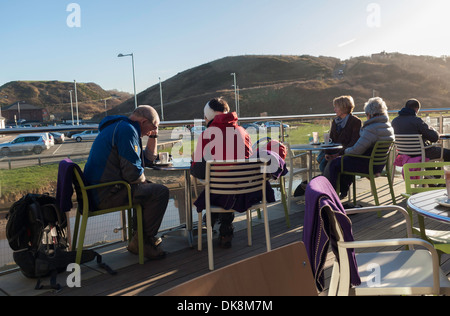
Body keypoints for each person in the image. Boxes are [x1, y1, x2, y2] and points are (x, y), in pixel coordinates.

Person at [84, 105, 169, 260]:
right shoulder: (127, 131)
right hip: (106, 194)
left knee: (149, 188)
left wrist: (153, 136)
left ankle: (140, 239)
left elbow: (148, 159)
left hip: (98, 191)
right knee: (160, 192)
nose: (153, 131)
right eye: (153, 127)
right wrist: (144, 182)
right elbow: (132, 173)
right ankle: (143, 242)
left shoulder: (121, 126)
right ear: (143, 122)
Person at [190, 97, 252, 248]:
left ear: (209, 116)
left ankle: (210, 221)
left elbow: (199, 171)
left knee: (211, 181)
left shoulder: (207, 135)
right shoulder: (243, 132)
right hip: (244, 189)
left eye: (205, 117)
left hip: (219, 189)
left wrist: (193, 161)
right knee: (225, 182)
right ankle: (225, 229)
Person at [326, 97, 395, 198]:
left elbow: (356, 150)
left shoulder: (371, 129)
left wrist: (343, 152)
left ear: (370, 114)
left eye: (366, 114)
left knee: (335, 163)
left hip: (368, 166)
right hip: (378, 164)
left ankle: (330, 197)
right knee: (343, 161)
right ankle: (339, 190)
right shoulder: (387, 126)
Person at [319, 95, 362, 172]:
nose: (334, 109)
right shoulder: (335, 121)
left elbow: (353, 143)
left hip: (346, 154)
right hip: (334, 152)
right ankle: (333, 182)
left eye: (336, 107)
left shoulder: (355, 122)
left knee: (323, 166)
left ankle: (333, 183)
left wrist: (338, 154)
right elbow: (330, 139)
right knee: (321, 162)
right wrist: (327, 153)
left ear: (343, 107)